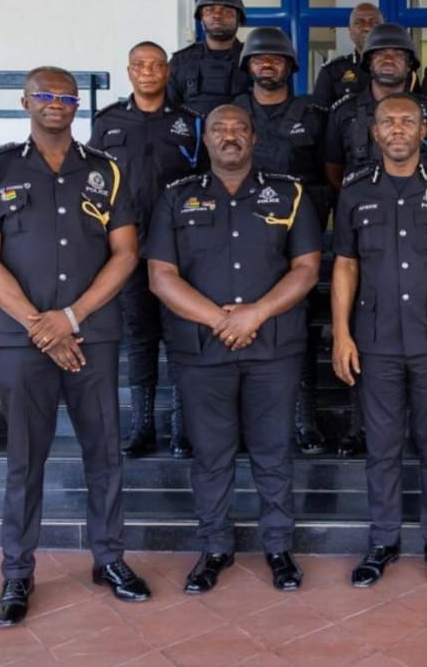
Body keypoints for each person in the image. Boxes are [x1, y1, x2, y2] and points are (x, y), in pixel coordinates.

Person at [0, 66, 151, 627]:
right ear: (25, 102)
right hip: (22, 342)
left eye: (66, 96)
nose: (56, 103)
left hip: (92, 334)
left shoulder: (104, 171)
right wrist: (40, 326)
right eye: (44, 95)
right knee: (25, 459)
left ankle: (109, 559)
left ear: (77, 106)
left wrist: (70, 318)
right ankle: (17, 573)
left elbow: (125, 254)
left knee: (104, 453)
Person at [148, 104, 322, 594]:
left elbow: (307, 268)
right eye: (219, 128)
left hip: (273, 349)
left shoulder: (288, 194)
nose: (229, 135)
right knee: (211, 454)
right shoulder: (176, 198)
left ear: (253, 138)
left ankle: (278, 547)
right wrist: (220, 320)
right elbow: (160, 276)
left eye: (239, 128)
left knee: (273, 451)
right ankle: (214, 548)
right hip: (202, 351)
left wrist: (255, 314)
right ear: (204, 140)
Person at [331, 93, 427, 589]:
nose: (398, 129)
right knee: (382, 446)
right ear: (375, 133)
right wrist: (341, 334)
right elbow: (345, 265)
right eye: (388, 122)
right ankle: (383, 540)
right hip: (374, 339)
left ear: (423, 131)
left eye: (407, 121)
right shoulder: (354, 191)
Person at [90, 42, 203, 460]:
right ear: (129, 71)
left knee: (182, 335)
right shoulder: (108, 122)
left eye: (156, 65)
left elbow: (206, 182)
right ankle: (142, 426)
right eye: (140, 65)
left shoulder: (191, 122)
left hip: (180, 248)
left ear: (168, 71)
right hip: (129, 248)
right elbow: (94, 183)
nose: (148, 72)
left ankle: (182, 427)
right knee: (140, 338)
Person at [232, 26, 333, 455]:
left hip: (297, 232)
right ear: (248, 66)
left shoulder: (313, 113)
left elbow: (330, 172)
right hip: (242, 232)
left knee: (298, 325)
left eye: (275, 59)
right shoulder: (232, 112)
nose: (267, 64)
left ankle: (303, 417)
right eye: (259, 58)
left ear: (290, 67)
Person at [324, 22, 427, 190]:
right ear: (369, 63)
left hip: (419, 203)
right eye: (380, 54)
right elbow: (333, 171)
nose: (389, 60)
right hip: (359, 203)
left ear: (409, 65)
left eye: (398, 55)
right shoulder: (343, 111)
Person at [167, 0, 250, 116]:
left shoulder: (254, 59)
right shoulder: (180, 61)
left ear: (239, 19)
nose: (217, 15)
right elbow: (166, 111)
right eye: (209, 10)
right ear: (201, 18)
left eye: (226, 11)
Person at [308, 2, 383, 110]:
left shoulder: (400, 69)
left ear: (384, 29)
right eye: (359, 22)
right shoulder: (332, 71)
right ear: (350, 31)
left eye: (374, 22)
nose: (367, 27)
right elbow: (319, 115)